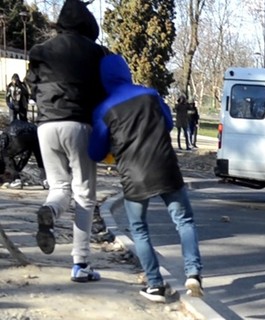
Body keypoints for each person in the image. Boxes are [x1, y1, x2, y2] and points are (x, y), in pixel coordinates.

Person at [88, 54, 204, 303]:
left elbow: (95, 152)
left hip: (134, 176)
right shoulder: (150, 94)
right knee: (184, 221)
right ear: (126, 72)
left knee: (139, 229)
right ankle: (193, 273)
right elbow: (169, 124)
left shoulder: (104, 109)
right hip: (165, 167)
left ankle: (155, 285)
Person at [24, 0, 108, 282]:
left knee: (59, 186)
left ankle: (50, 210)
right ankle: (81, 263)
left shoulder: (40, 50)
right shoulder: (96, 52)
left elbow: (31, 85)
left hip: (46, 126)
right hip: (79, 125)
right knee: (84, 195)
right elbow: (105, 89)